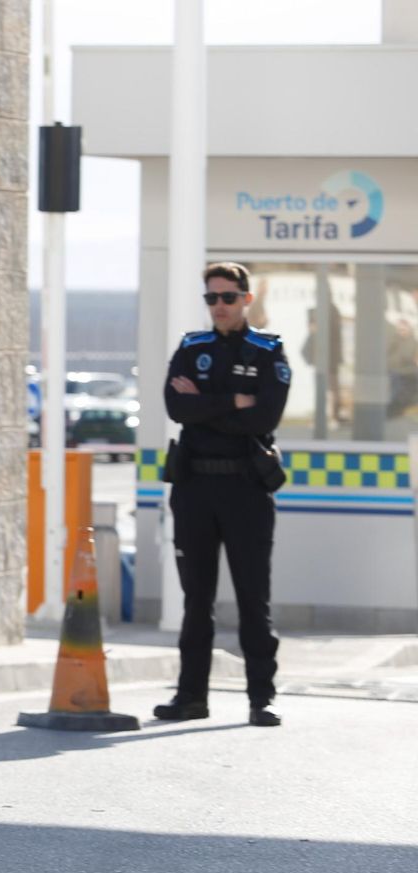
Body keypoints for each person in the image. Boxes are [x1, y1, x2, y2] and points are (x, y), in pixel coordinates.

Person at [157, 261, 291, 728]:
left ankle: (262, 698)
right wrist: (232, 401)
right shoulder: (192, 348)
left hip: (246, 489)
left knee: (253, 598)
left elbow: (264, 418)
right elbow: (175, 406)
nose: (219, 306)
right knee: (197, 599)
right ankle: (190, 696)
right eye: (211, 298)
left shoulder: (267, 351)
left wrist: (203, 405)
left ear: (246, 299)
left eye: (228, 297)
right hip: (195, 488)